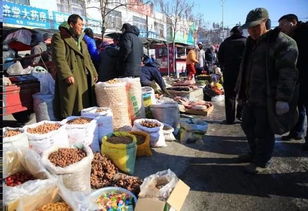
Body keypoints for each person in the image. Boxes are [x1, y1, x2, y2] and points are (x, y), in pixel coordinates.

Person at [236, 8, 298, 174]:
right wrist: (241, 92)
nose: (252, 31)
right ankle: (254, 153)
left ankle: (261, 161)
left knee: (263, 131)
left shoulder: (281, 41)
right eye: (249, 28)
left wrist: (282, 99)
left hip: (268, 97)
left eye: (255, 27)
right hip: (251, 95)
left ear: (265, 22)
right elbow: (245, 68)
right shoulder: (251, 42)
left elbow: (288, 72)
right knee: (247, 124)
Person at [52, 14, 98, 120]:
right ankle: (69, 125)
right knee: (70, 106)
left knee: (84, 105)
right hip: (71, 77)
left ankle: (83, 124)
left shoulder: (81, 41)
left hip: (84, 77)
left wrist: (94, 72)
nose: (82, 27)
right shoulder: (60, 37)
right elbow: (59, 58)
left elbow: (88, 59)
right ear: (72, 24)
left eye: (83, 25)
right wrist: (66, 74)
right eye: (80, 24)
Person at [278, 14, 308, 150]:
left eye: (283, 24)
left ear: (293, 22)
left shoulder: (305, 31)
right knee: (298, 106)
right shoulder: (290, 37)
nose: (280, 28)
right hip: (297, 76)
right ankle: (296, 132)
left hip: (305, 75)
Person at [218, 25, 246, 124]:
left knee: (230, 95)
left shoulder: (225, 43)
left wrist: (223, 66)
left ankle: (230, 119)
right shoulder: (247, 42)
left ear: (232, 33)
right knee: (243, 94)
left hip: (229, 72)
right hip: (244, 73)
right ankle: (241, 115)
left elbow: (220, 57)